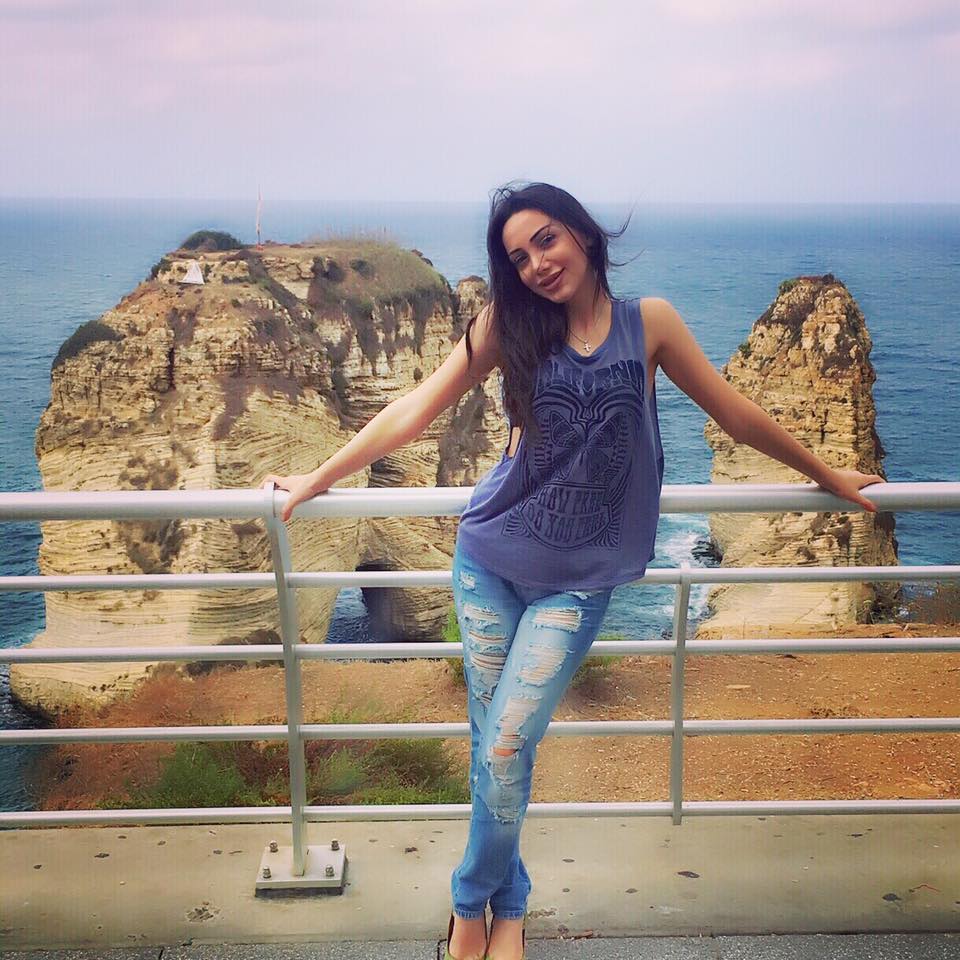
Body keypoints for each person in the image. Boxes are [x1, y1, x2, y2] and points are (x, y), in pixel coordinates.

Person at [261, 181, 883, 960]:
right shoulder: (507, 325)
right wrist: (318, 478)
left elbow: (736, 415)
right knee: (499, 748)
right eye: (518, 256)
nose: (536, 264)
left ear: (584, 235)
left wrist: (828, 473)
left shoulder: (650, 324)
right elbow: (414, 409)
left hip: (577, 581)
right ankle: (509, 910)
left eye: (546, 240)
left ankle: (467, 906)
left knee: (501, 749)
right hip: (488, 563)